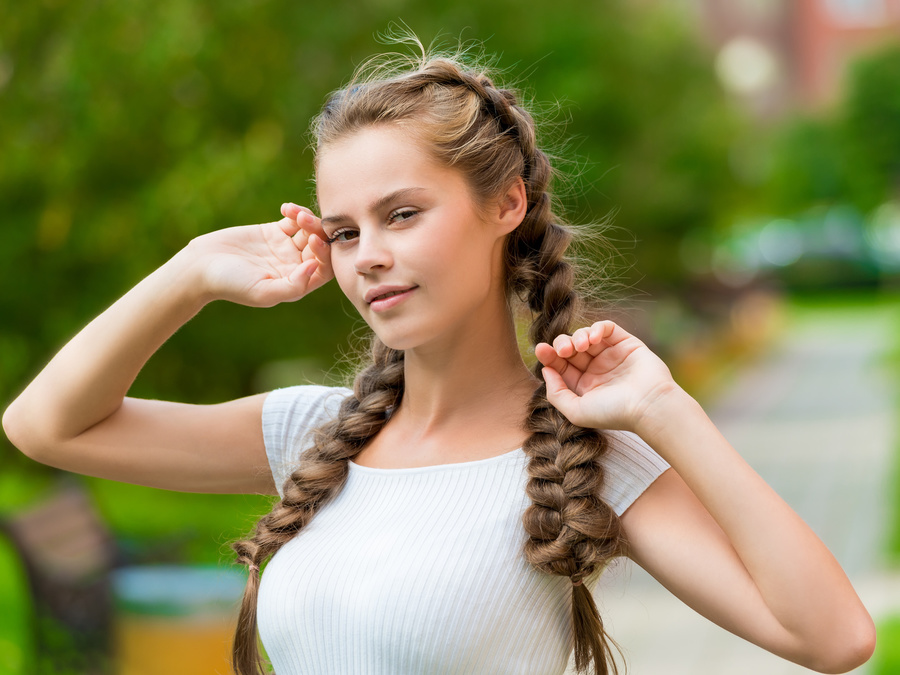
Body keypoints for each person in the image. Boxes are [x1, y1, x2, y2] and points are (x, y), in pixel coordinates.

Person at [2, 40, 875, 675]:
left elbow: (834, 638)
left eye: (403, 214)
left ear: (506, 203)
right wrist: (189, 273)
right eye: (344, 231)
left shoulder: (583, 450)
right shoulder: (315, 431)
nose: (367, 254)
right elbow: (44, 425)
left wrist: (666, 410)